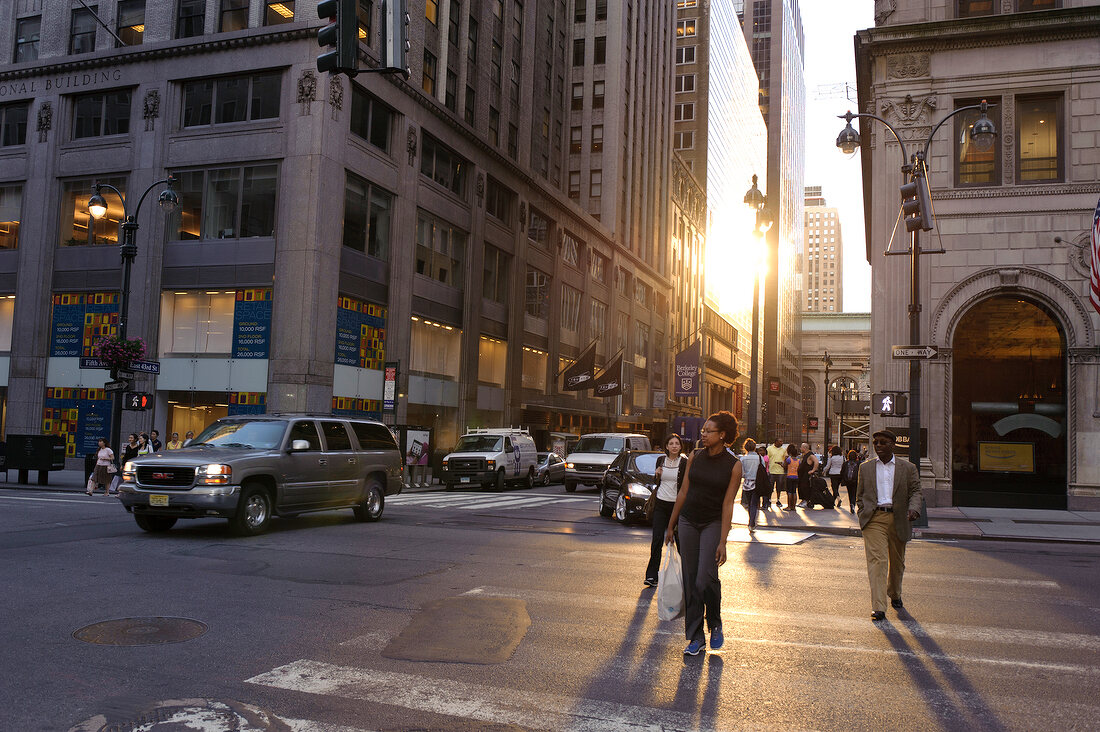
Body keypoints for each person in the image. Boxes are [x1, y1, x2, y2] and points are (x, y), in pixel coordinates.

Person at [665, 411, 743, 656]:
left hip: (712, 522)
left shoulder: (734, 464)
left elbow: (728, 503)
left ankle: (715, 622)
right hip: (688, 521)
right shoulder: (694, 456)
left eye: (708, 431)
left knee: (704, 578)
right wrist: (671, 524)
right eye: (703, 431)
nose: (703, 434)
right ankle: (695, 637)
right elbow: (684, 492)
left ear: (722, 435)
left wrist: (723, 540)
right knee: (690, 580)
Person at [856, 430, 922, 621]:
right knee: (878, 561)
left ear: (893, 444)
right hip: (874, 518)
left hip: (899, 518)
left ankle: (895, 593)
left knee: (897, 563)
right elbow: (860, 495)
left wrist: (914, 509)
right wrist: (862, 511)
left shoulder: (908, 468)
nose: (878, 446)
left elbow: (916, 491)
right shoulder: (865, 468)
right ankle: (878, 606)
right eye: (875, 443)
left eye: (883, 443)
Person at [645, 433, 688, 587]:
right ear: (667, 446)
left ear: (680, 446)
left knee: (680, 540)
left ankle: (684, 574)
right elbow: (657, 482)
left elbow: (685, 486)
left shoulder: (684, 462)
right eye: (671, 443)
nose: (674, 446)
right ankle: (652, 575)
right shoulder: (660, 460)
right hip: (661, 504)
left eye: (677, 443)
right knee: (656, 539)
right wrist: (656, 475)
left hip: (677, 507)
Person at [738, 438, 765, 533]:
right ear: (754, 447)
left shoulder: (743, 459)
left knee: (750, 504)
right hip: (757, 483)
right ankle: (752, 523)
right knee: (754, 504)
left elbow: (741, 473)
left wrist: (746, 475)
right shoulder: (760, 458)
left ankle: (751, 521)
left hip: (747, 483)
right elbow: (764, 470)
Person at [796, 443, 819, 508]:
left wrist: (813, 470)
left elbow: (816, 462)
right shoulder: (804, 455)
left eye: (801, 447)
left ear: (804, 448)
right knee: (801, 487)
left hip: (806, 475)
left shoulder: (810, 455)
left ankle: (806, 500)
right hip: (802, 475)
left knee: (805, 487)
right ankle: (803, 500)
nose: (800, 449)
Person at [766, 439, 787, 508]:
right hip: (771, 470)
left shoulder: (783, 450)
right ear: (776, 442)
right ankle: (769, 499)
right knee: (770, 486)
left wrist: (783, 464)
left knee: (779, 487)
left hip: (780, 471)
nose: (782, 443)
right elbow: (767, 459)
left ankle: (778, 500)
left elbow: (785, 459)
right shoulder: (769, 449)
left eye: (782, 441)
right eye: (780, 441)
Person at [841, 449, 861, 514]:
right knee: (854, 493)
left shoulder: (846, 463)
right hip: (855, 480)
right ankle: (853, 504)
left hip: (848, 480)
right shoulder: (858, 463)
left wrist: (843, 479)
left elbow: (842, 472)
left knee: (849, 493)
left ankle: (851, 504)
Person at [784, 443, 799, 510]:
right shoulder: (799, 461)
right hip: (796, 476)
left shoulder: (789, 459)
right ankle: (794, 506)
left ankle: (789, 506)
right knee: (794, 492)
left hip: (789, 476)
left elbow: (784, 466)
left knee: (789, 492)